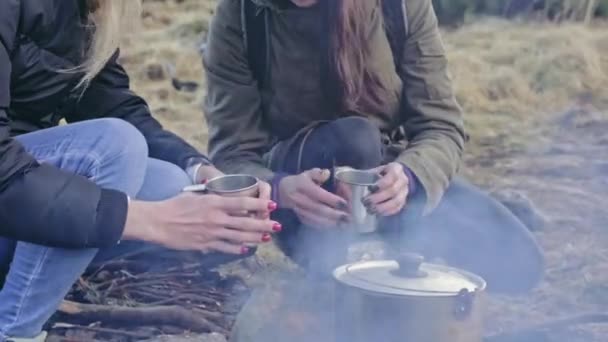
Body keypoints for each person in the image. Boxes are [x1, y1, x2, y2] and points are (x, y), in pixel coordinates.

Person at [203, 0, 545, 294]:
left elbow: (441, 125)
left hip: (386, 183)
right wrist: (281, 190)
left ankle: (387, 240)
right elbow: (233, 151)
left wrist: (410, 176)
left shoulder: (400, 7)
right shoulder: (241, 16)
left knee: (518, 263)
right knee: (355, 138)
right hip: (303, 201)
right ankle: (330, 270)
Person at [0, 1, 282, 340]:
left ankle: (30, 278)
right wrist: (155, 221)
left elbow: (112, 104)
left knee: (171, 184)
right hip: (10, 188)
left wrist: (200, 170)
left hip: (18, 199)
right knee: (113, 148)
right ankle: (14, 329)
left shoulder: (83, 9)